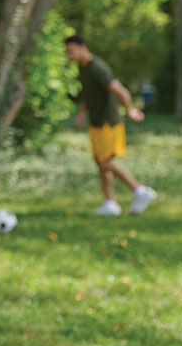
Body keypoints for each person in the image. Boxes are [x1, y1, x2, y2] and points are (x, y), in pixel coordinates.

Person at [65, 34, 157, 216]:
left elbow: (119, 90)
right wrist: (82, 114)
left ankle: (140, 191)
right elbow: (88, 93)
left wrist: (129, 110)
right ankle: (110, 203)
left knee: (104, 162)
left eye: (71, 51)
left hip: (108, 122)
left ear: (82, 47)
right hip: (96, 121)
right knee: (101, 162)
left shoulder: (97, 67)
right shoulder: (82, 68)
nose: (68, 55)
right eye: (67, 52)